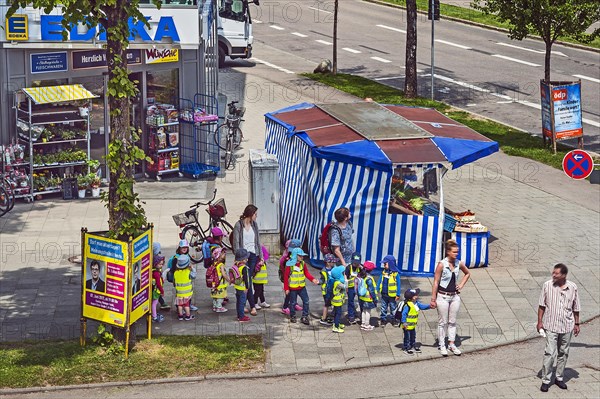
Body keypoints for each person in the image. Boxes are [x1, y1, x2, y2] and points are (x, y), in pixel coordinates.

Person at [537, 263, 581, 393]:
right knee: (550, 353)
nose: (553, 275)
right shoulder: (547, 285)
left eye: (556, 273)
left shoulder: (573, 287)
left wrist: (577, 324)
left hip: (567, 325)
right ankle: (546, 380)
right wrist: (540, 322)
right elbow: (541, 305)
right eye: (553, 272)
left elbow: (576, 307)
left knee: (563, 352)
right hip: (551, 325)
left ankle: (559, 378)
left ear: (564, 275)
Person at [430, 239, 471, 357]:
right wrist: (433, 299)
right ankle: (442, 344)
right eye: (454, 252)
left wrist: (461, 285)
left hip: (454, 296)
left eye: (457, 252)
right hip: (442, 296)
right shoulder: (441, 264)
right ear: (448, 252)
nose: (456, 254)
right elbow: (436, 282)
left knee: (452, 321)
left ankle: (451, 344)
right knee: (442, 322)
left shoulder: (459, 263)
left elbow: (467, 273)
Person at [232, 205, 262, 316]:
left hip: (253, 255)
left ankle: (246, 304)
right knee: (245, 280)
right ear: (250, 214)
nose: (256, 216)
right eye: (255, 214)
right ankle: (251, 305)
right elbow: (236, 243)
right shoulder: (238, 225)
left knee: (248, 279)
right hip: (243, 256)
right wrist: (238, 258)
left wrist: (261, 256)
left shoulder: (254, 225)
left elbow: (258, 241)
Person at [283, 247, 320, 325]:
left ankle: (304, 316)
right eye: (300, 256)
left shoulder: (303, 263)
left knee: (306, 301)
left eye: (302, 256)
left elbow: (306, 273)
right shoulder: (289, 265)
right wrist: (286, 288)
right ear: (295, 256)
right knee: (293, 303)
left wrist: (313, 279)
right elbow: (286, 277)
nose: (302, 257)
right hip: (293, 288)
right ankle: (292, 316)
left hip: (302, 287)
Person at [399, 288, 431, 355]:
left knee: (413, 335)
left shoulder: (416, 303)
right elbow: (404, 314)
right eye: (416, 295)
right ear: (413, 297)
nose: (417, 295)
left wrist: (430, 306)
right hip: (407, 325)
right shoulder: (408, 305)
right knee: (407, 337)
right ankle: (406, 348)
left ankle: (412, 345)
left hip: (412, 325)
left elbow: (422, 306)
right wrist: (404, 322)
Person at [280, 239, 304, 315]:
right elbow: (284, 270)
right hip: (287, 278)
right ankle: (285, 307)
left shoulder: (297, 258)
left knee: (295, 292)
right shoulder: (287, 258)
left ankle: (294, 303)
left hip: (294, 279)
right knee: (289, 293)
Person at [378, 255, 401, 327]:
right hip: (384, 294)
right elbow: (379, 281)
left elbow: (399, 284)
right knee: (383, 307)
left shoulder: (395, 274)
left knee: (393, 307)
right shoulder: (383, 272)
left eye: (385, 264)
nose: (384, 265)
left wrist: (398, 294)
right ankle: (383, 319)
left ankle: (394, 319)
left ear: (391, 264)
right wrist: (377, 289)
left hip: (392, 295)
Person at [173, 254, 196, 321]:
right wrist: (193, 269)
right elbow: (194, 276)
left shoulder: (175, 273)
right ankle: (188, 316)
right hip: (187, 293)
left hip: (179, 292)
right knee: (186, 305)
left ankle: (180, 316)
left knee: (179, 304)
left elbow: (174, 282)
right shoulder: (188, 272)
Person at [358, 260, 378, 331]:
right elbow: (371, 290)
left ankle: (363, 323)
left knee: (363, 310)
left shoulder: (361, 275)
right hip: (368, 298)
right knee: (368, 311)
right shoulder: (369, 278)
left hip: (362, 297)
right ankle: (367, 324)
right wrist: (375, 299)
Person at [232, 248, 251, 322]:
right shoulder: (244, 268)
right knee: (242, 302)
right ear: (243, 259)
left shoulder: (236, 266)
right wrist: (247, 287)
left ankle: (239, 315)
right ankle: (242, 317)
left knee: (238, 301)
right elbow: (247, 279)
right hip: (243, 288)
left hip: (237, 287)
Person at [319, 253, 337, 325]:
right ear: (328, 262)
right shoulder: (323, 271)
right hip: (326, 291)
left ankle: (331, 316)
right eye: (333, 262)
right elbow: (322, 279)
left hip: (333, 290)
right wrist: (318, 282)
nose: (334, 263)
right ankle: (323, 318)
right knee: (327, 304)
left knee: (333, 303)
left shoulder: (334, 269)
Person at [345, 252, 362, 324]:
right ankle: (351, 316)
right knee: (351, 301)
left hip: (359, 287)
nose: (356, 264)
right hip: (351, 288)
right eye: (355, 263)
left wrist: (363, 269)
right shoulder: (349, 267)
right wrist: (346, 287)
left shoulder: (360, 267)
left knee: (361, 301)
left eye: (357, 263)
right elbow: (345, 276)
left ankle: (362, 314)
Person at [210, 247, 229, 313]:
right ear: (219, 256)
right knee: (220, 297)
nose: (225, 255)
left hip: (214, 284)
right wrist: (228, 280)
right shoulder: (221, 265)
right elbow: (223, 274)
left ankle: (215, 306)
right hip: (220, 284)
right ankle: (219, 307)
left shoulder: (213, 263)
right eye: (223, 254)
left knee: (215, 296)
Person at [153, 242, 170, 310]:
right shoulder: (155, 259)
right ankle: (161, 304)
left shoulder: (154, 257)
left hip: (155, 281)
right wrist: (162, 291)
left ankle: (162, 303)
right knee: (156, 292)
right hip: (155, 282)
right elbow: (158, 283)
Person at [330, 265, 347, 333]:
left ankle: (337, 324)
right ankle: (336, 327)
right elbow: (345, 286)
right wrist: (345, 279)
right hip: (337, 301)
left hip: (336, 300)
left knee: (337, 313)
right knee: (338, 314)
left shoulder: (335, 281)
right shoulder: (338, 283)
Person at [151, 255, 166, 323]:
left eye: (162, 264)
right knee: (154, 303)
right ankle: (154, 316)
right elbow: (159, 284)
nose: (161, 265)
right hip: (156, 291)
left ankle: (153, 314)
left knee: (154, 303)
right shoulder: (156, 273)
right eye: (160, 264)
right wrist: (162, 291)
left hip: (154, 289)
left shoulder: (154, 271)